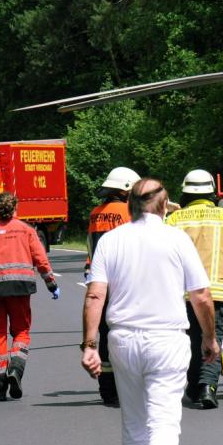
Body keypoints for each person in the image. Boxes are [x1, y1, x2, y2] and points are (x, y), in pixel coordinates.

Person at [80, 178, 220, 445]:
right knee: (163, 423)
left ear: (130, 205)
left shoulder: (110, 241)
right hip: (167, 341)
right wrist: (209, 337)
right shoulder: (177, 239)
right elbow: (201, 295)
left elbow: (95, 295)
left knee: (134, 423)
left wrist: (89, 345)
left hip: (123, 341)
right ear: (165, 206)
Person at [166, 169, 223, 409]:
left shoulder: (174, 220)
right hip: (218, 290)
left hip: (182, 294)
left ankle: (194, 388)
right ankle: (207, 388)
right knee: (212, 337)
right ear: (212, 192)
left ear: (185, 192)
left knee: (192, 341)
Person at [0, 192, 59, 401]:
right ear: (15, 208)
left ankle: (0, 388)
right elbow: (41, 259)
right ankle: (16, 370)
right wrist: (51, 284)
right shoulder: (27, 231)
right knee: (21, 332)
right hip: (20, 289)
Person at [84, 166, 140, 405]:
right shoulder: (130, 212)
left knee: (105, 334)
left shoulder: (96, 213)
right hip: (127, 282)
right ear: (127, 189)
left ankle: (107, 390)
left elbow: (90, 247)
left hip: (101, 281)